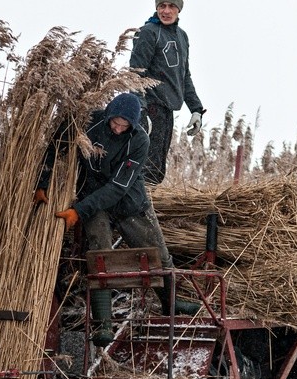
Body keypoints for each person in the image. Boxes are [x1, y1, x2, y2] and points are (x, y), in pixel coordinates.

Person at [34, 92, 198, 347]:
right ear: (109, 115)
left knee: (158, 255)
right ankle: (103, 325)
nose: (119, 129)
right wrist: (42, 183)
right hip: (93, 198)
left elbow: (118, 187)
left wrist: (79, 211)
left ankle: (171, 303)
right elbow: (57, 145)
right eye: (115, 123)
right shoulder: (90, 122)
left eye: (125, 126)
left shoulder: (140, 140)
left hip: (128, 201)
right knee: (99, 254)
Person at [130, 0, 206, 185]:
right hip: (151, 106)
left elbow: (184, 76)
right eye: (162, 6)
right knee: (146, 166)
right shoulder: (148, 32)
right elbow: (136, 73)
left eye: (171, 6)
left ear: (179, 9)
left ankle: (149, 207)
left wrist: (196, 109)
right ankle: (138, 212)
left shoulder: (182, 37)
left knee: (157, 168)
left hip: (168, 110)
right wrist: (141, 111)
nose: (166, 10)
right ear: (156, 8)